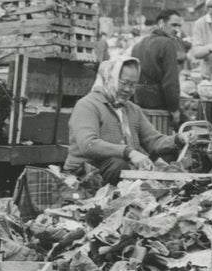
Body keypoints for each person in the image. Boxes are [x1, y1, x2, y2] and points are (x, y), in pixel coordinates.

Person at [66, 57, 183, 185]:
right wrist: (129, 152)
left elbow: (153, 141)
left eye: (132, 85)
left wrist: (178, 139)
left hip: (119, 170)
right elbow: (88, 144)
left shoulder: (132, 109)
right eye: (123, 83)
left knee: (166, 157)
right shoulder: (88, 105)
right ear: (108, 79)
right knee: (118, 164)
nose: (128, 89)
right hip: (86, 173)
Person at [130, 8, 185, 121]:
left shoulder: (139, 44)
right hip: (159, 104)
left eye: (179, 26)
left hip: (139, 102)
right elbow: (171, 81)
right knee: (191, 131)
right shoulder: (168, 43)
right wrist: (174, 109)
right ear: (161, 23)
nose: (177, 30)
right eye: (174, 25)